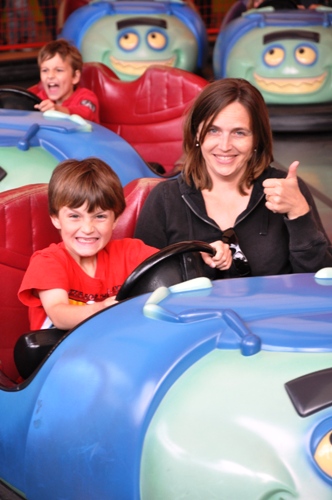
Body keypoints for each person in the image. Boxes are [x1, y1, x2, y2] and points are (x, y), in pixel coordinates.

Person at [134, 78, 332, 280]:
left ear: (257, 139)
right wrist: (194, 260)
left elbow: (320, 284)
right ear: (196, 134)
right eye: (213, 130)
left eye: (239, 133)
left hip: (275, 312)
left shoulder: (288, 191)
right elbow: (142, 286)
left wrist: (300, 215)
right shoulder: (165, 200)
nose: (225, 146)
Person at [18, 158, 158, 332]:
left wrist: (196, 258)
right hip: (63, 353)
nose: (87, 229)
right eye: (74, 216)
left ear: (115, 219)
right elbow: (58, 314)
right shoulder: (48, 262)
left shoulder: (131, 252)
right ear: (55, 219)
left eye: (100, 216)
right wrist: (101, 308)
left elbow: (173, 267)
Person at [30, 39, 100, 123]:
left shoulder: (86, 97)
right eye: (45, 70)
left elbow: (86, 113)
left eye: (59, 70)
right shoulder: (40, 98)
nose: (50, 76)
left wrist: (57, 110)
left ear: (75, 77)